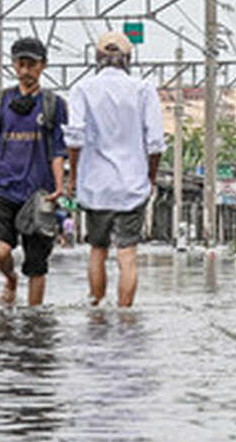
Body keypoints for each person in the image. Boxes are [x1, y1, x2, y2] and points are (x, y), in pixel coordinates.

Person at [66, 30, 165, 307]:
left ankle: (96, 309)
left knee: (97, 250)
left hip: (95, 186)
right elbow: (155, 144)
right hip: (132, 185)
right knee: (127, 253)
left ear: (97, 58)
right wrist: (150, 178)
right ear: (128, 59)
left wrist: (73, 178)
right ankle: (125, 314)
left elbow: (74, 139)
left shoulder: (82, 89)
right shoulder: (143, 90)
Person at [0, 35, 67, 306]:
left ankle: (34, 318)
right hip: (3, 189)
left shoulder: (54, 105)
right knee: (1, 251)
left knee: (37, 265)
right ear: (14, 65)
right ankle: (10, 279)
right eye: (20, 64)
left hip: (39, 194)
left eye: (31, 64)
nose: (25, 70)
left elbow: (58, 151)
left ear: (43, 66)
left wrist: (59, 187)